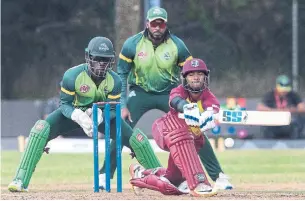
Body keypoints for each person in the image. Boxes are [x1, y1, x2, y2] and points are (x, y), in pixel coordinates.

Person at [7, 36, 160, 192]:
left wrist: (99, 116)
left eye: (105, 60)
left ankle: (162, 179)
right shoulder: (72, 76)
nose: (101, 64)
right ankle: (20, 179)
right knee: (40, 129)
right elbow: (65, 104)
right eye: (97, 59)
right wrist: (78, 116)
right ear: (88, 57)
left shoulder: (115, 81)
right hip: (73, 114)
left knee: (138, 140)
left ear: (111, 61)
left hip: (103, 116)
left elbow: (113, 109)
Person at [108, 6, 233, 190]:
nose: (157, 27)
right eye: (154, 23)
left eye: (161, 23)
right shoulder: (132, 44)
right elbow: (121, 74)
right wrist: (123, 103)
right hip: (139, 92)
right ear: (147, 24)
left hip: (169, 93)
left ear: (165, 24)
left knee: (196, 128)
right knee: (121, 128)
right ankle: (105, 174)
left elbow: (192, 72)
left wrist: (196, 105)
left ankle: (218, 175)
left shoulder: (177, 45)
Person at [129, 58, 224, 197]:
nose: (196, 78)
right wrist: (186, 107)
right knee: (183, 132)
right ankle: (198, 183)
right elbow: (175, 100)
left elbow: (214, 108)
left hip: (185, 140)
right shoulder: (178, 90)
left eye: (199, 74)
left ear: (205, 77)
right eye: (191, 75)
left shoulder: (208, 96)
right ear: (185, 78)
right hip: (165, 128)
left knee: (172, 183)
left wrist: (210, 116)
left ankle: (140, 174)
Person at [257, 75, 305, 139]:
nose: (284, 92)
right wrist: (276, 111)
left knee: (299, 119)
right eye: (282, 90)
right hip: (273, 123)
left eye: (286, 90)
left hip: (290, 122)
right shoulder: (270, 95)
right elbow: (260, 107)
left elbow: (302, 108)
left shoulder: (293, 94)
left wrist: (291, 110)